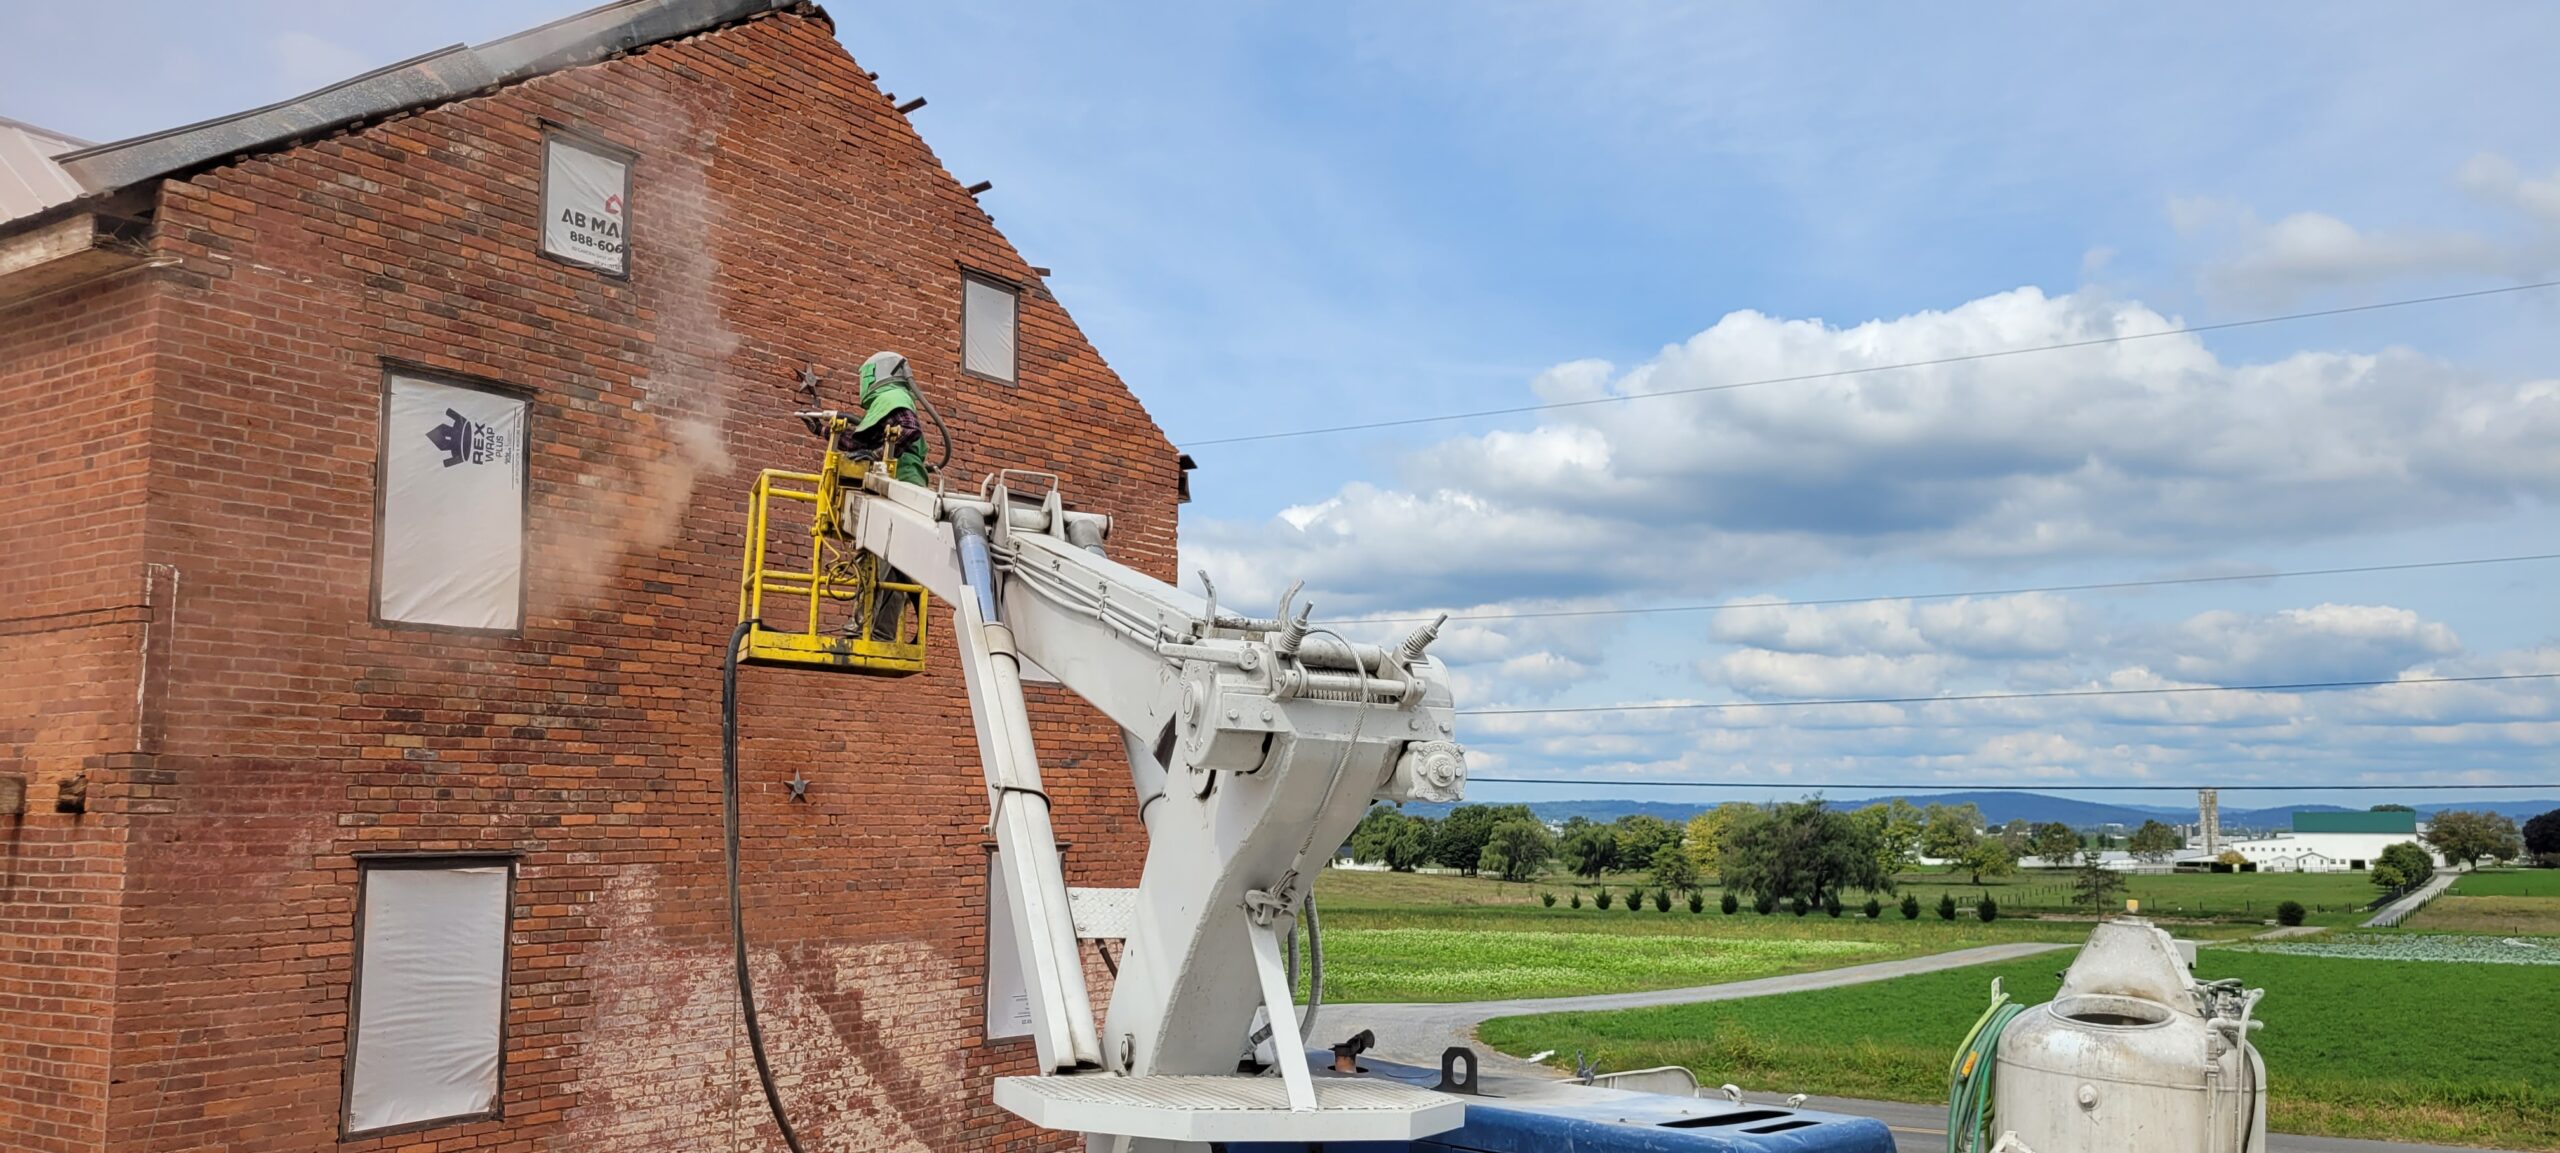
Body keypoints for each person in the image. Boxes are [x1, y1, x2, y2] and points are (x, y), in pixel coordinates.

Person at [845, 350, 929, 485]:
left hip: (903, 475)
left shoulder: (892, 396)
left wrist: (876, 455)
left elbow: (910, 428)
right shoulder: (884, 402)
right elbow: (860, 444)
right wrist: (821, 429)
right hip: (893, 477)